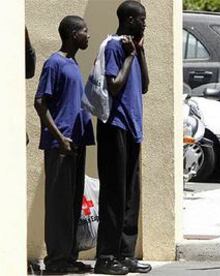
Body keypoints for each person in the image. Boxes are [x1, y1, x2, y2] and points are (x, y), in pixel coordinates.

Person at [94, 1, 151, 274]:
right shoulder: (116, 46)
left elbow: (146, 86)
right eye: (141, 19)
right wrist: (129, 56)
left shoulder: (133, 48)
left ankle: (125, 254)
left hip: (132, 128)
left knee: (130, 194)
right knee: (114, 194)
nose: (145, 23)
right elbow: (114, 86)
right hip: (114, 126)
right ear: (129, 19)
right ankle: (106, 257)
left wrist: (140, 53)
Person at [34, 15, 94, 274]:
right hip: (60, 146)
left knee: (71, 204)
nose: (88, 35)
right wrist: (59, 138)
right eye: (84, 31)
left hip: (76, 144)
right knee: (58, 205)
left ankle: (68, 257)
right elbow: (40, 102)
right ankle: (56, 262)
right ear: (72, 34)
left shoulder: (72, 62)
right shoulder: (54, 63)